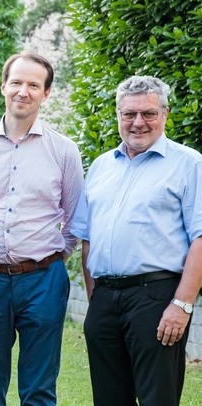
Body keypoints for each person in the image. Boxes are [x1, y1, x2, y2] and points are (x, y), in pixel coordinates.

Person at [0, 51, 84, 405]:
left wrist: (50, 260)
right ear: (3, 86)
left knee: (39, 387)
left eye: (33, 85)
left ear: (46, 93)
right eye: (16, 82)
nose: (23, 91)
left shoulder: (64, 151)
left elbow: (75, 221)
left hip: (44, 279)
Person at [69, 75, 202, 406]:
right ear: (118, 114)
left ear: (165, 114)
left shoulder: (190, 164)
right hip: (104, 299)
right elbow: (88, 238)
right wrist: (95, 297)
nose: (138, 122)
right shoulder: (101, 166)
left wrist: (182, 305)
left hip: (157, 298)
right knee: (109, 399)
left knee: (158, 398)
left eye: (148, 113)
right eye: (129, 114)